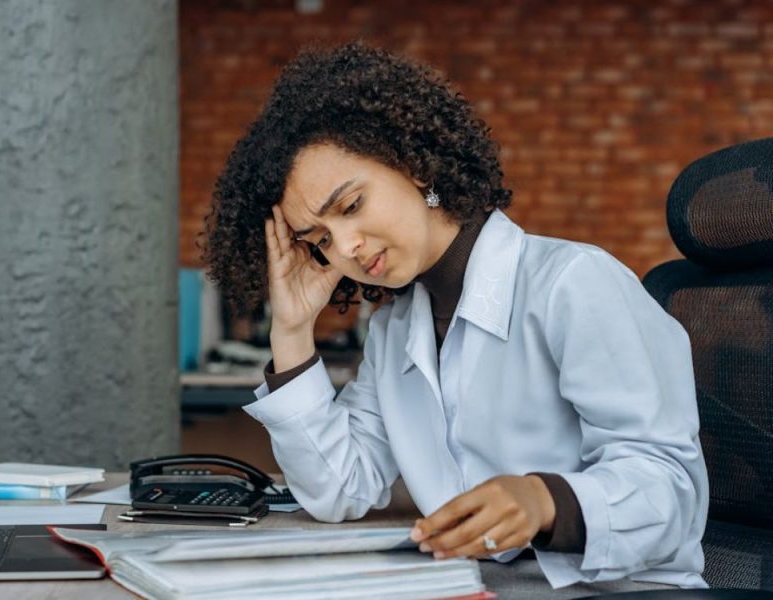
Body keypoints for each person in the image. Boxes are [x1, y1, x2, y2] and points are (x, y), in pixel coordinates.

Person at [202, 42, 708, 591]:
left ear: (414, 164)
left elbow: (672, 490)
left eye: (350, 207)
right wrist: (292, 329)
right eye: (319, 239)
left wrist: (544, 501)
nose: (345, 246)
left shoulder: (572, 283)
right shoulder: (395, 330)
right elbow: (339, 490)